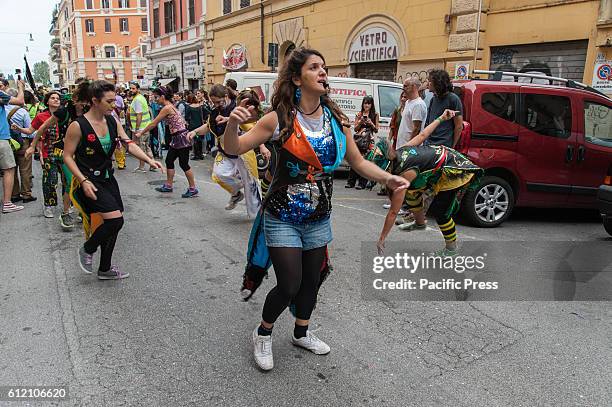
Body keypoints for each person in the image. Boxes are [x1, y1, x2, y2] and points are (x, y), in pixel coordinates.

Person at [222, 48, 410, 371]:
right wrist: (232, 127)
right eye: (314, 67)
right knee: (289, 284)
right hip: (282, 217)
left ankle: (301, 332)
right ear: (297, 78)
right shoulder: (278, 119)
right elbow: (233, 148)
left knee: (312, 281)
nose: (323, 72)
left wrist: (389, 178)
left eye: (324, 67)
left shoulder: (336, 119)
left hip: (318, 218)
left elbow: (358, 162)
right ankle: (263, 332)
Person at [63, 80, 162, 280]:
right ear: (94, 101)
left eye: (114, 100)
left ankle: (105, 268)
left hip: (108, 179)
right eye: (109, 101)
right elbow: (67, 156)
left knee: (114, 222)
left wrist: (149, 160)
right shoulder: (78, 125)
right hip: (89, 180)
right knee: (115, 220)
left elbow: (128, 144)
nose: (114, 104)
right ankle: (87, 249)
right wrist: (82, 180)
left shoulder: (112, 121)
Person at [377, 109, 482, 256]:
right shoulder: (400, 152)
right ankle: (420, 223)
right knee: (412, 193)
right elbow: (423, 135)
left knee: (441, 211)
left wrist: (382, 238)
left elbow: (394, 211)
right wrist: (441, 117)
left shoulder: (405, 175)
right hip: (439, 165)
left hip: (453, 169)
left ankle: (451, 249)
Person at [189, 88, 265, 217]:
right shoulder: (214, 112)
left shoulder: (237, 107)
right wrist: (195, 131)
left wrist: (262, 146)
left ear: (225, 96)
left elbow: (252, 128)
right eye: (214, 102)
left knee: (251, 184)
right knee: (218, 175)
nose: (216, 105)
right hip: (225, 151)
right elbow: (209, 126)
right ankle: (236, 194)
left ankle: (257, 216)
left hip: (242, 152)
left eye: (218, 102)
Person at [135, 86, 199, 198]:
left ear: (163, 97)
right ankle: (169, 185)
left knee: (184, 164)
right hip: (178, 138)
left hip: (181, 138)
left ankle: (193, 188)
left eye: (156, 97)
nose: (155, 100)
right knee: (169, 160)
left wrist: (141, 132)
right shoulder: (171, 106)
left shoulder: (167, 108)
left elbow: (153, 123)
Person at [0, 80, 26, 213]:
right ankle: (7, 203)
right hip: (1, 138)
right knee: (9, 169)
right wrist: (20, 87)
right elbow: (20, 101)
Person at [6, 91, 36, 203]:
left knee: (10, 169)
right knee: (25, 169)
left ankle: (14, 194)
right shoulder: (22, 111)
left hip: (9, 142)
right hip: (23, 141)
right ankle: (26, 194)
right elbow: (30, 131)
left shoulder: (2, 110)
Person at [422, 69, 463, 148]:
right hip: (429, 144)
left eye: (430, 81)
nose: (428, 83)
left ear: (438, 83)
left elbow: (459, 126)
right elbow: (428, 123)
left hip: (443, 146)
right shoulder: (433, 99)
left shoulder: (453, 99)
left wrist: (452, 146)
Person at [346, 95, 379, 190]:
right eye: (365, 103)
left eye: (369, 103)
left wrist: (370, 122)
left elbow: (376, 129)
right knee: (355, 159)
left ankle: (362, 183)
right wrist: (360, 122)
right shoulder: (359, 114)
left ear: (372, 105)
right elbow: (355, 128)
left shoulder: (375, 115)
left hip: (369, 140)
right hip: (359, 139)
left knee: (366, 161)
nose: (367, 105)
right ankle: (351, 182)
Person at [128, 82, 155, 172]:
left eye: (133, 88)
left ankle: (142, 166)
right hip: (145, 127)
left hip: (141, 128)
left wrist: (137, 130)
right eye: (130, 88)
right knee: (147, 146)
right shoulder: (141, 97)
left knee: (141, 148)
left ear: (138, 89)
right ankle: (153, 164)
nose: (131, 90)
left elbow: (139, 115)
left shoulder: (137, 100)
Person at [396, 78, 427, 148]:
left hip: (409, 148)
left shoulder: (418, 104)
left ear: (414, 87)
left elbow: (416, 129)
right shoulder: (408, 102)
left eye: (406, 86)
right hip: (401, 146)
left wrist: (409, 147)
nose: (403, 88)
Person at [184, 94, 206, 160]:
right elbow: (205, 114)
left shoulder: (189, 107)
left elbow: (186, 117)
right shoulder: (200, 106)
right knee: (200, 140)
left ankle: (196, 154)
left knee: (195, 140)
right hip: (200, 125)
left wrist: (188, 122)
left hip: (193, 125)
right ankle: (201, 154)